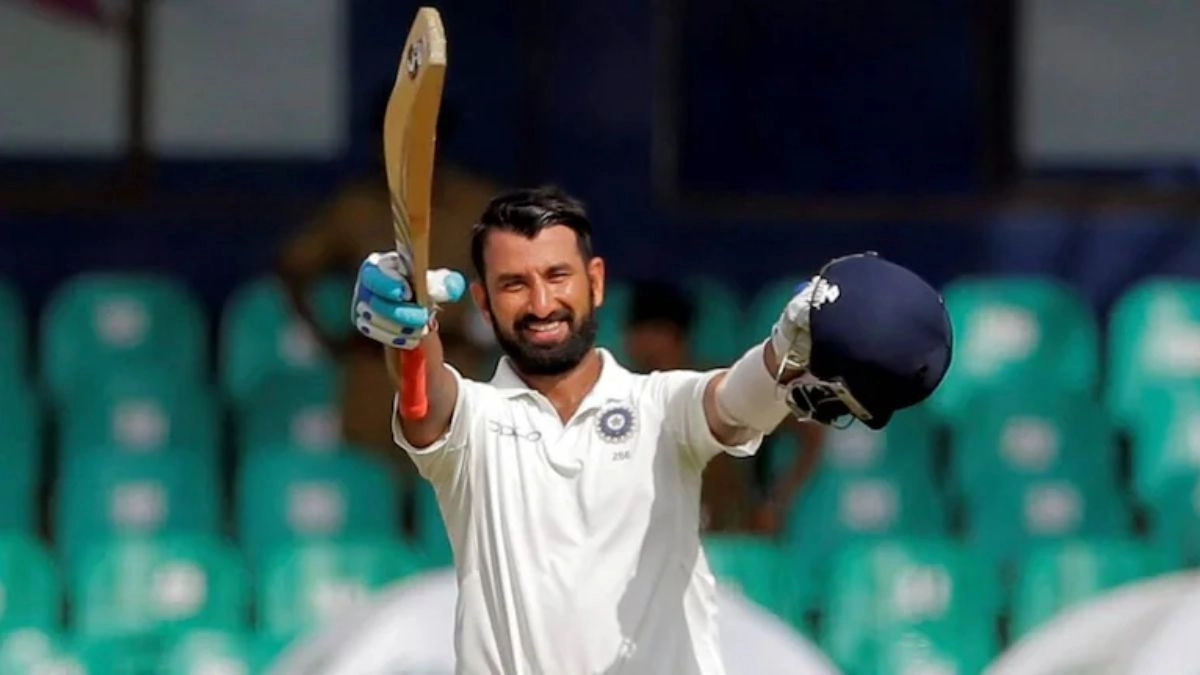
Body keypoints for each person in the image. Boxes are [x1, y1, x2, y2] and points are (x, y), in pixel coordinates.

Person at [350, 186, 953, 674]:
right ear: (482, 302)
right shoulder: (477, 423)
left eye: (557, 276)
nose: (541, 303)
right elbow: (425, 403)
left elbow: (732, 402)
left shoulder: (660, 405)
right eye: (514, 284)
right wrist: (406, 330)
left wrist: (781, 351)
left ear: (596, 282)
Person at [620, 280, 826, 534]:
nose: (643, 345)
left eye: (655, 333)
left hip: (730, 536)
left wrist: (775, 502)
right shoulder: (623, 399)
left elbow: (809, 428)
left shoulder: (725, 386)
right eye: (636, 333)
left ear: (678, 337)